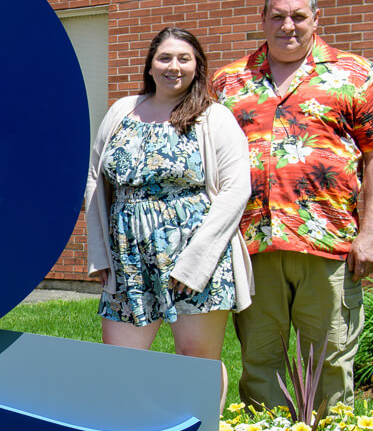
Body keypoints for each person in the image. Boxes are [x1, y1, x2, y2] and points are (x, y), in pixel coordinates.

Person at [212, 0, 373, 411]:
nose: (288, 25)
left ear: (315, 19)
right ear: (262, 20)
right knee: (260, 360)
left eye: (298, 16)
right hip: (251, 246)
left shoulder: (354, 74)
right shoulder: (228, 83)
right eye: (278, 15)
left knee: (331, 361)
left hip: (330, 244)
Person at [85, 27, 252, 409]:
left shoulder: (215, 117)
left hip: (196, 258)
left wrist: (196, 265)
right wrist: (100, 254)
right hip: (128, 254)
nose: (173, 66)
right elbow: (95, 180)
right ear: (150, 64)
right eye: (165, 57)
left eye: (183, 59)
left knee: (195, 362)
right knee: (120, 363)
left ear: (197, 67)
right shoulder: (122, 111)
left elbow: (235, 190)